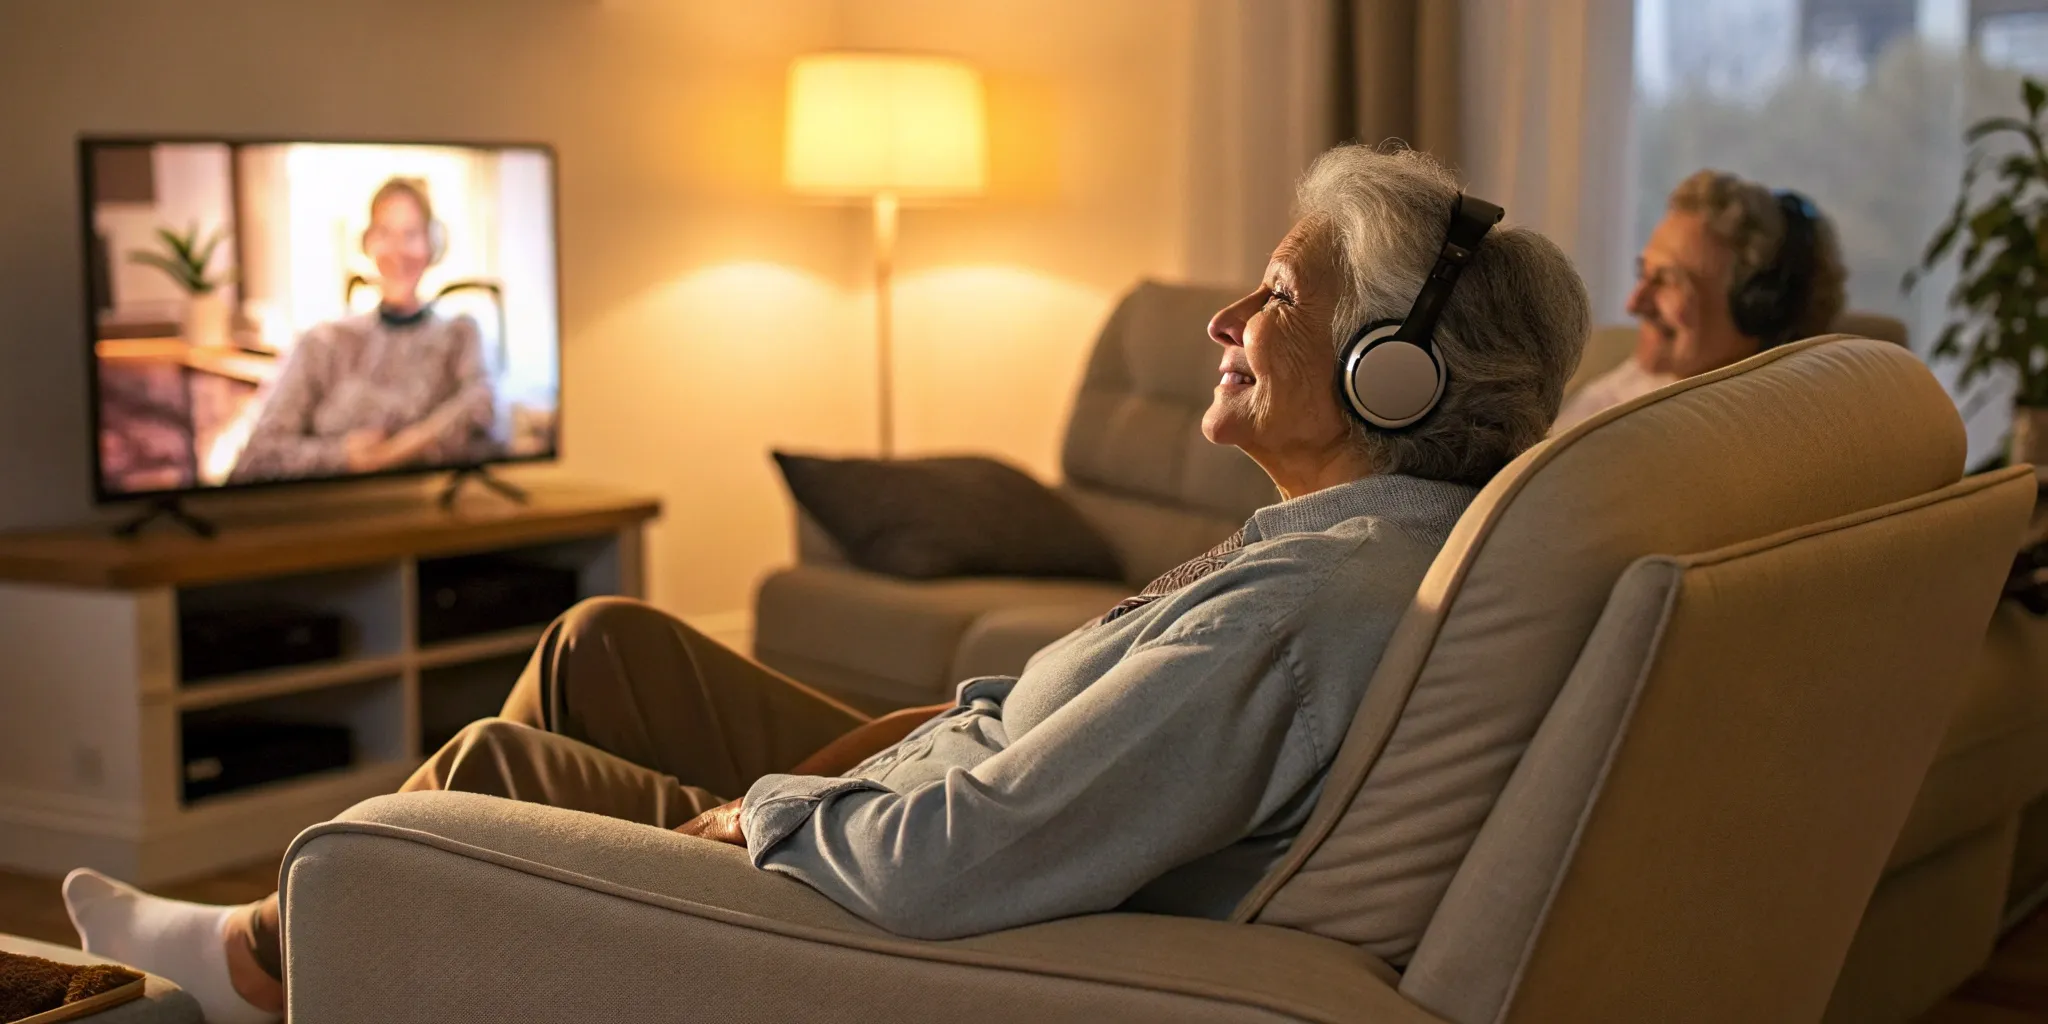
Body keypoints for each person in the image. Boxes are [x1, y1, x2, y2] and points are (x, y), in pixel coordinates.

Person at [60, 146, 1589, 1024]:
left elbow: (955, 858)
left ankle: (270, 960)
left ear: (1392, 373)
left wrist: (763, 813)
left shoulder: (1295, 615)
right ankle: (317, 948)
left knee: (486, 776)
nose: (1227, 319)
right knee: (602, 642)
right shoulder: (1351, 552)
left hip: (867, 892)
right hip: (913, 795)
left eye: (1278, 294)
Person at [226, 177, 496, 484]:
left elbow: (481, 408)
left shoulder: (460, 336)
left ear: (432, 245)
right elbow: (259, 455)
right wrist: (343, 456)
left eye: (411, 234)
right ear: (367, 243)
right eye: (385, 233)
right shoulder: (323, 342)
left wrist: (393, 452)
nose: (398, 251)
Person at [1552, 169, 1847, 433]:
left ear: (1760, 307)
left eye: (1667, 280)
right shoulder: (1642, 376)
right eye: (1644, 274)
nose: (1634, 304)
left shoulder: (1760, 438)